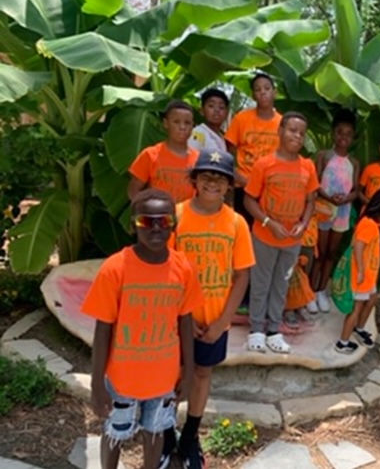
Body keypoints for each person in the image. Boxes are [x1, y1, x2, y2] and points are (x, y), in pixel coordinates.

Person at [83, 188, 202, 469]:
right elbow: (103, 329)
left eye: (164, 221)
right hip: (122, 378)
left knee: (156, 431)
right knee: (115, 432)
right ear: (133, 225)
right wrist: (97, 383)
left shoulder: (183, 268)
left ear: (174, 224)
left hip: (163, 377)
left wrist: (188, 372)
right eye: (147, 221)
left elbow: (185, 322)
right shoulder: (115, 269)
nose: (156, 228)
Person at [160, 148, 254, 468]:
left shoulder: (237, 223)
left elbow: (242, 275)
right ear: (195, 180)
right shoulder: (177, 215)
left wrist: (223, 321)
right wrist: (181, 316)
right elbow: (165, 270)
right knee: (173, 376)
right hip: (178, 318)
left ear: (229, 185)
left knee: (202, 373)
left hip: (214, 320)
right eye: (206, 176)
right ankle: (166, 434)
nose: (212, 182)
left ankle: (190, 436)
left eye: (220, 178)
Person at [243, 111, 319, 354]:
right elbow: (249, 200)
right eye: (292, 130)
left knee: (282, 283)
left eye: (301, 133)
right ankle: (256, 329)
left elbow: (311, 200)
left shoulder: (307, 166)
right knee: (261, 282)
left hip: (291, 240)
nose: (297, 136)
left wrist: (303, 224)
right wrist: (268, 222)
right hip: (265, 236)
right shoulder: (264, 164)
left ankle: (274, 330)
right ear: (280, 131)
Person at [336, 187, 380, 353]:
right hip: (361, 276)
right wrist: (361, 271)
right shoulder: (368, 225)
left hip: (369, 275)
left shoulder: (372, 224)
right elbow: (358, 246)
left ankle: (359, 329)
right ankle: (342, 342)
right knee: (355, 309)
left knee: (371, 299)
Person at [309, 109, 360, 313]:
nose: (343, 137)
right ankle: (310, 291)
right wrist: (329, 198)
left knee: (331, 253)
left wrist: (346, 198)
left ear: (353, 137)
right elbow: (314, 183)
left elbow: (356, 191)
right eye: (340, 132)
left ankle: (322, 290)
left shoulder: (354, 163)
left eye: (348, 134)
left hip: (343, 212)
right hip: (323, 210)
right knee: (319, 253)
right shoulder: (324, 156)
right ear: (333, 133)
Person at [225, 73, 282, 227]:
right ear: (253, 95)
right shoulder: (241, 119)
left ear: (275, 92)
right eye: (258, 89)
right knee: (243, 228)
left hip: (270, 188)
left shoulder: (282, 123)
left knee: (267, 229)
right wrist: (238, 176)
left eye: (267, 88)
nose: (263, 92)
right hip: (244, 185)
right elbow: (229, 151)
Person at [128, 100, 198, 203]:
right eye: (176, 122)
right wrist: (146, 209)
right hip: (158, 212)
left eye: (187, 123)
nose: (182, 127)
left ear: (192, 126)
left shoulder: (199, 159)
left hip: (187, 213)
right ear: (166, 123)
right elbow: (133, 190)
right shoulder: (150, 155)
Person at [189, 88, 229, 154]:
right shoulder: (197, 133)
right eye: (211, 106)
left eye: (221, 107)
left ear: (226, 113)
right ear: (202, 111)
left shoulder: (222, 137)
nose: (217, 110)